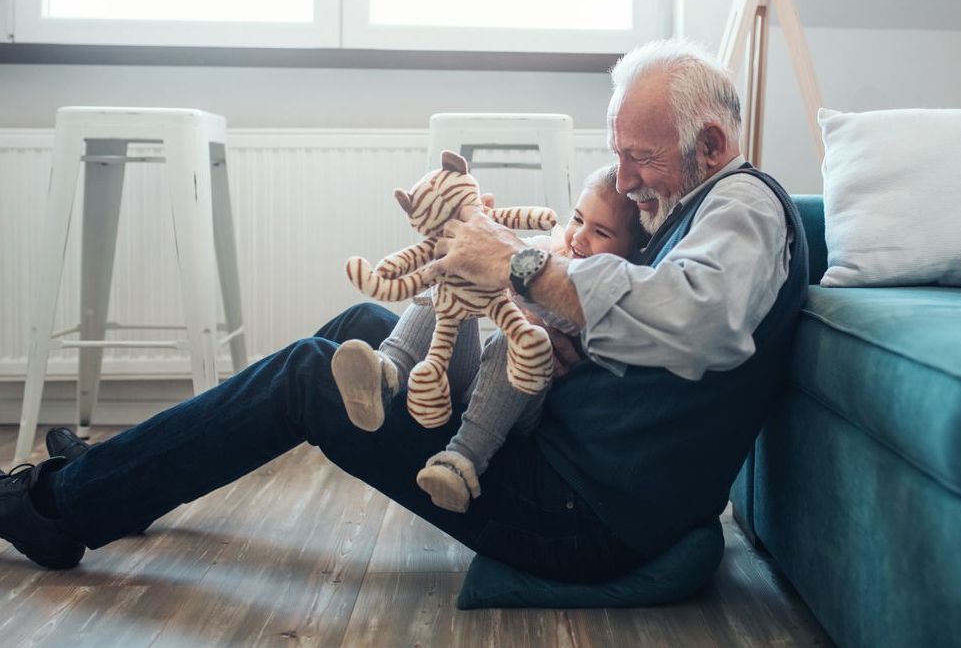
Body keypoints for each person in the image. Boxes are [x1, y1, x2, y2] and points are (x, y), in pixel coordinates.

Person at [0, 38, 808, 584]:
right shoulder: (693, 203)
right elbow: (649, 328)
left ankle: (58, 507)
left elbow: (701, 320)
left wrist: (520, 266)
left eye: (642, 156)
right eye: (618, 153)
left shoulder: (744, 205)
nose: (625, 178)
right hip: (562, 456)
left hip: (582, 514)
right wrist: (562, 329)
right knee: (360, 329)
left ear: (709, 143)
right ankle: (117, 481)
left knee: (311, 382)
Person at [331, 163, 648, 513]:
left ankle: (461, 460)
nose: (578, 237)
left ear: (630, 253)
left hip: (518, 408)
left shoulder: (607, 294)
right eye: (577, 218)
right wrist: (479, 238)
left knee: (516, 340)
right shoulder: (553, 247)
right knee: (454, 275)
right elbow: (498, 253)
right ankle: (386, 372)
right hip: (476, 385)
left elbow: (566, 317)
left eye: (601, 232)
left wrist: (531, 298)